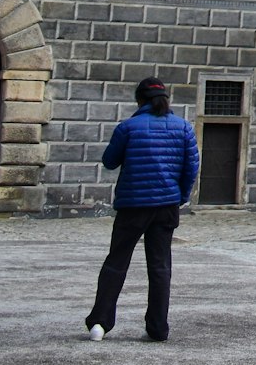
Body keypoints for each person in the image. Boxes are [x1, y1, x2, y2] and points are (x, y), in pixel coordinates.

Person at [85, 76, 198, 343]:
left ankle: (100, 323)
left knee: (116, 262)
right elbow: (191, 168)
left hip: (132, 205)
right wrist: (179, 196)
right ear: (166, 99)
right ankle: (158, 328)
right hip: (166, 206)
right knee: (160, 267)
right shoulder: (183, 128)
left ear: (139, 100)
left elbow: (109, 161)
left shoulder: (128, 127)